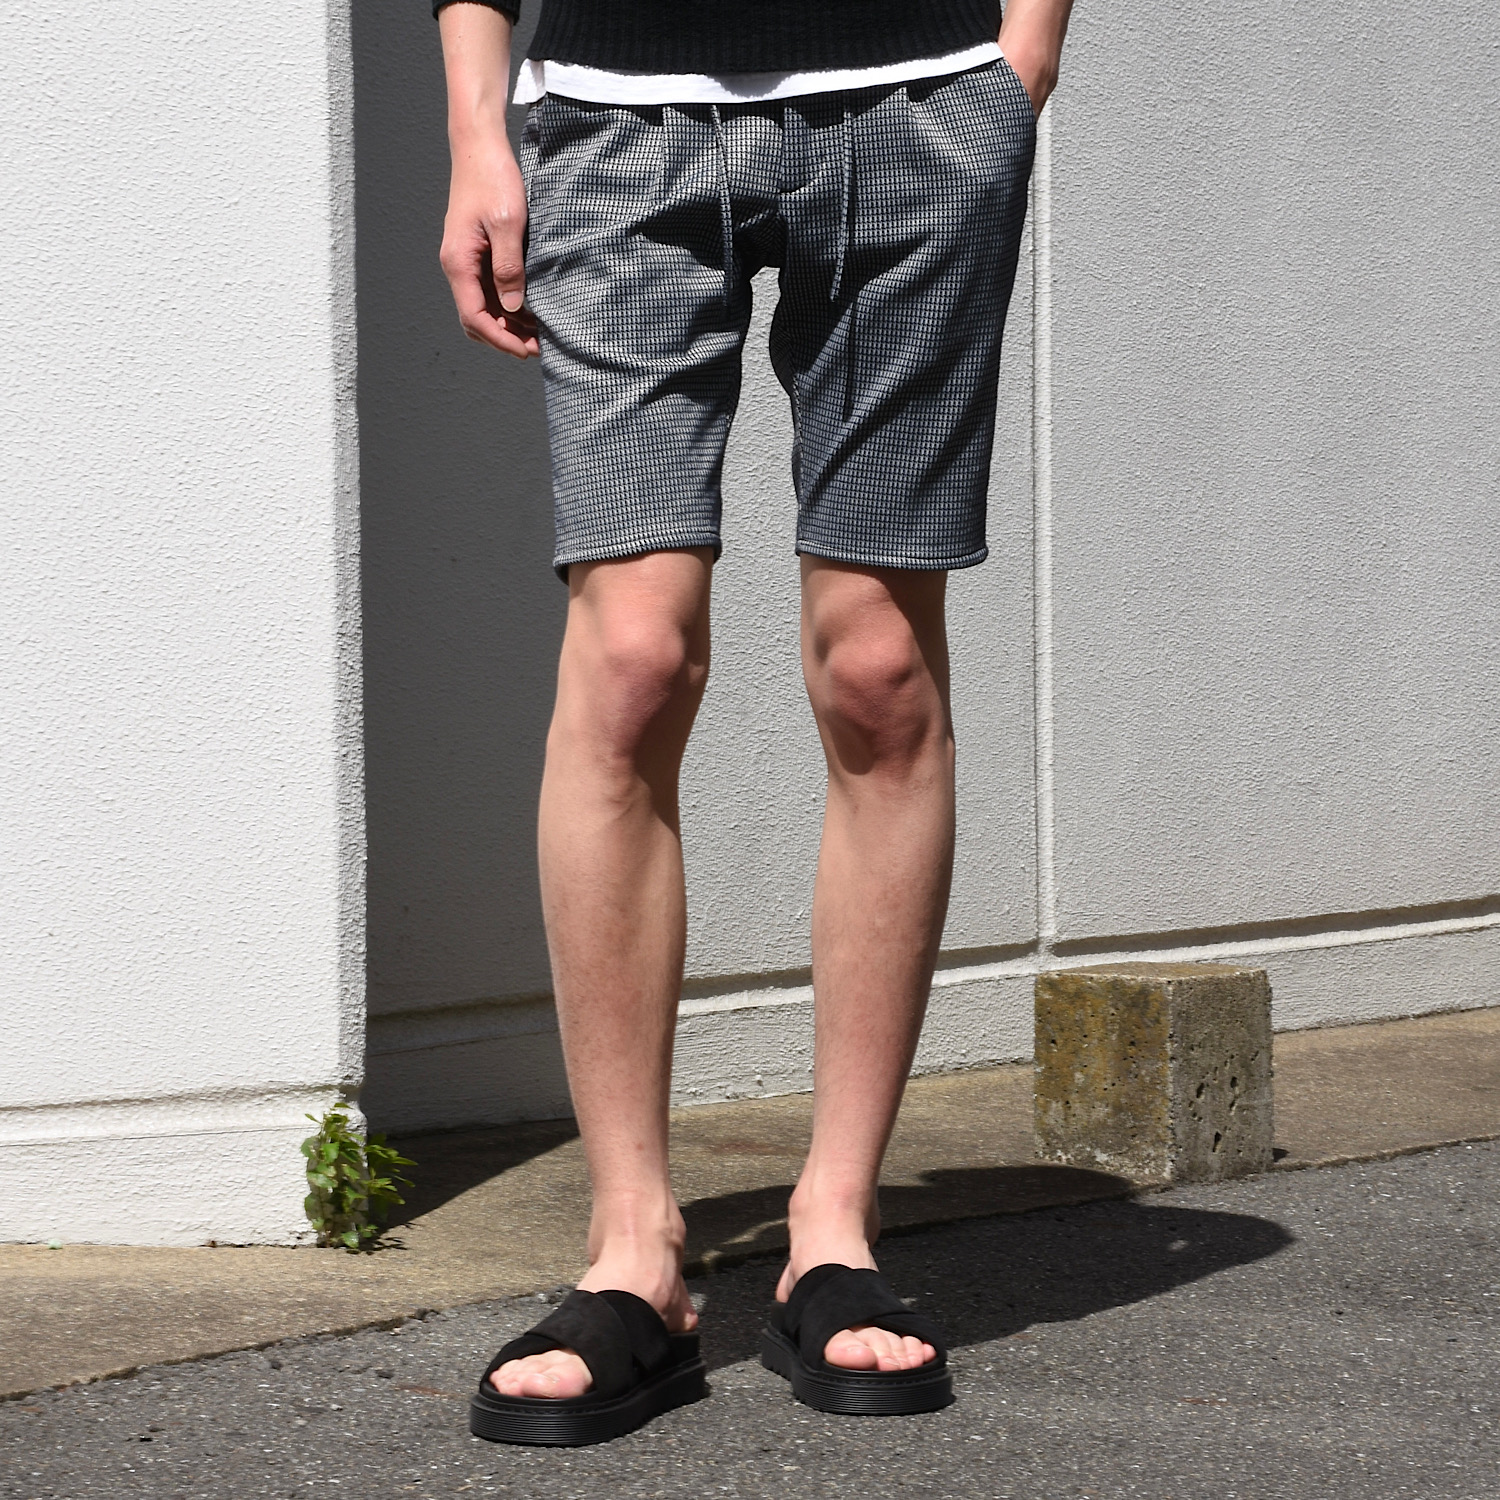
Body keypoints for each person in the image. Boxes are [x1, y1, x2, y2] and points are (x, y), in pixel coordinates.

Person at [435, 0, 1074, 1446]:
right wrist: (479, 128)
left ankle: (835, 1228)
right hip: (614, 115)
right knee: (632, 661)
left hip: (918, 102)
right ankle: (633, 1254)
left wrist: (1018, 63)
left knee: (878, 672)